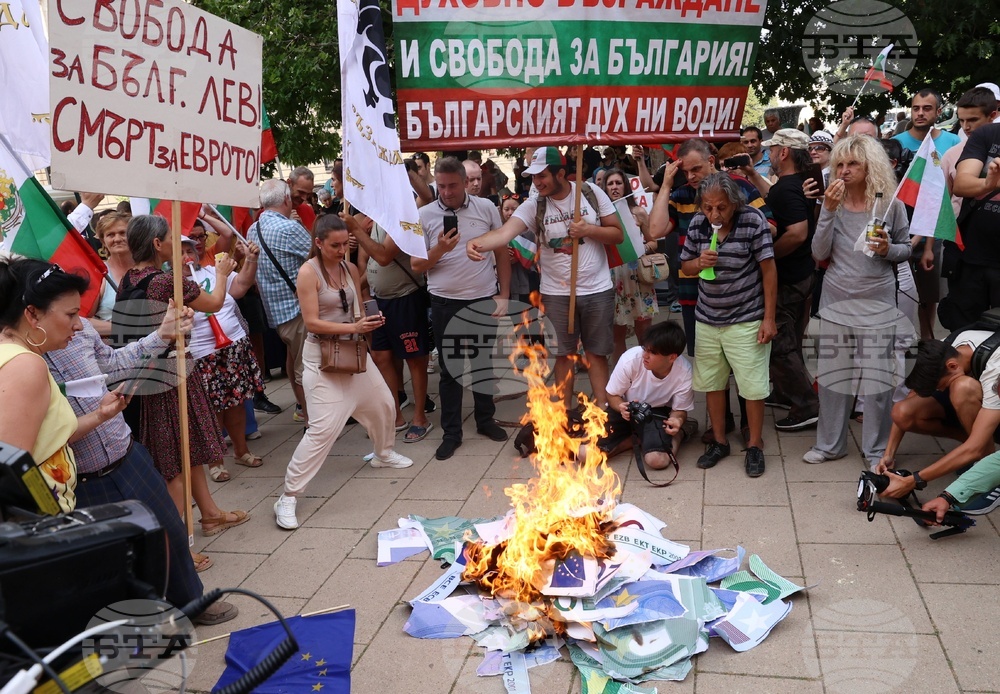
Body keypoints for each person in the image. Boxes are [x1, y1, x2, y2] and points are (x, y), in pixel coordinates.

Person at [273, 216, 413, 530]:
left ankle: (383, 453)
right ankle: (288, 496)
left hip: (352, 353)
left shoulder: (350, 268)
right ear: (319, 242)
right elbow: (311, 322)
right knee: (322, 431)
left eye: (344, 243)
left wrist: (370, 321)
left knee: (384, 404)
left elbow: (358, 308)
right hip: (321, 358)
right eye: (334, 245)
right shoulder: (308, 272)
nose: (340, 249)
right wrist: (354, 326)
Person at [465, 146, 623, 411]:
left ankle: (604, 414)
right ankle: (564, 416)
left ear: (561, 173)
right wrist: (476, 243)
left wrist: (589, 229)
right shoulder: (534, 204)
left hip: (597, 289)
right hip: (556, 293)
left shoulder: (590, 193)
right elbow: (504, 234)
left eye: (542, 176)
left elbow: (617, 234)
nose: (536, 182)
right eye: (533, 177)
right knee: (564, 355)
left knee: (596, 354)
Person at [122, 215, 250, 536]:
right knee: (174, 461)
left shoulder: (129, 279)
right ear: (156, 244)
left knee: (187, 447)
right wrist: (221, 274)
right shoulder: (167, 281)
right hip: (172, 374)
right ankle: (175, 544)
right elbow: (216, 302)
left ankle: (209, 513)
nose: (174, 242)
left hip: (154, 373)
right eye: (169, 236)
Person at [803, 136, 911, 469]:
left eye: (853, 164)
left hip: (877, 298)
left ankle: (876, 449)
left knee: (879, 378)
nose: (845, 170)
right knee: (835, 374)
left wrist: (887, 250)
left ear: (870, 166)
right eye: (839, 164)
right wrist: (827, 212)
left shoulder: (890, 204)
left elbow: (906, 249)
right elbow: (819, 254)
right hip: (836, 296)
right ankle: (830, 444)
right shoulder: (830, 203)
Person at [0, 258, 130, 513]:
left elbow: (43, 438)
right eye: (71, 314)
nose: (79, 325)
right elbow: (9, 472)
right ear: (32, 313)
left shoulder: (17, 356)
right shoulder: (25, 365)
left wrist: (100, 415)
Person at [679, 173, 777, 477]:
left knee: (752, 386)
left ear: (734, 203)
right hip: (708, 318)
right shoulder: (698, 224)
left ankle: (755, 445)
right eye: (708, 207)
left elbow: (769, 270)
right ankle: (719, 441)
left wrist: (769, 319)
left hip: (746, 317)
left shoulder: (752, 220)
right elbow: (685, 266)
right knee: (712, 383)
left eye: (721, 207)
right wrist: (699, 264)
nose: (714, 214)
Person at [414, 156, 511, 460]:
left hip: (483, 297)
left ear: (466, 182)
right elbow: (418, 265)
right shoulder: (425, 215)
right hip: (444, 302)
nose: (446, 192)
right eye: (440, 186)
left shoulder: (485, 208)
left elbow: (502, 253)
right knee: (450, 370)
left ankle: (485, 420)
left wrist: (504, 293)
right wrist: (441, 247)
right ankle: (451, 433)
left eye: (452, 185)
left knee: (484, 364)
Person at [180, 236, 265, 481]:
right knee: (212, 411)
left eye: (191, 250)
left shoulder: (210, 271)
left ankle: (241, 451)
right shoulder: (174, 285)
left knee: (237, 403)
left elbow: (240, 285)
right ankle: (215, 462)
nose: (188, 255)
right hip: (203, 354)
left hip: (233, 346)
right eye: (182, 251)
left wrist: (250, 259)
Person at [875, 336, 1000, 500]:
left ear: (953, 366)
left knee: (962, 388)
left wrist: (914, 480)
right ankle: (969, 446)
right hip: (982, 402)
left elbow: (974, 447)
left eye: (939, 385)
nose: (940, 391)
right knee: (902, 412)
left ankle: (987, 465)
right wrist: (889, 453)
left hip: (993, 408)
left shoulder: (994, 368)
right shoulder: (942, 348)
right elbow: (911, 398)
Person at [350, 212, 435, 444]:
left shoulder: (402, 218)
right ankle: (395, 416)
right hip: (380, 301)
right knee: (381, 357)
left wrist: (356, 230)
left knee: (415, 358)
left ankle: (420, 419)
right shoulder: (377, 219)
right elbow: (373, 265)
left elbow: (384, 256)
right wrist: (355, 287)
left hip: (406, 298)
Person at [761, 129, 820, 431]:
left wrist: (767, 257)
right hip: (802, 274)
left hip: (789, 279)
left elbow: (797, 232)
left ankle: (806, 406)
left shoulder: (786, 188)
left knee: (781, 344)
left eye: (771, 149)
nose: (768, 155)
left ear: (784, 152)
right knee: (791, 339)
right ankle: (785, 393)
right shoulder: (796, 185)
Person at [248, 179, 313, 425]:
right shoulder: (289, 229)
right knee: (305, 369)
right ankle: (312, 421)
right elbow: (318, 258)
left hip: (275, 314)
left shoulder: (253, 230)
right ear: (287, 199)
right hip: (298, 311)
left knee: (292, 360)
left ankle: (303, 412)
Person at [598, 322, 695, 467]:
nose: (645, 356)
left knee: (657, 461)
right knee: (585, 454)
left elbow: (679, 410)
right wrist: (620, 406)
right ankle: (635, 440)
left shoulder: (684, 371)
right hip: (626, 409)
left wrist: (677, 421)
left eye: (653, 352)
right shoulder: (630, 359)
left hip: (656, 412)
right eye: (645, 349)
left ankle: (681, 432)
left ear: (672, 357)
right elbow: (612, 395)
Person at [600, 167, 659, 364]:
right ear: (604, 188)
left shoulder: (638, 212)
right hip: (614, 280)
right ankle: (621, 378)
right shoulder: (601, 216)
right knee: (618, 337)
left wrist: (640, 247)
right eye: (610, 184)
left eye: (618, 183)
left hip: (639, 277)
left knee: (645, 335)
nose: (614, 187)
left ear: (625, 185)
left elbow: (653, 242)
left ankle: (647, 376)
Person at [945, 122, 1000, 328]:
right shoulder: (988, 134)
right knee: (964, 333)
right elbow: (961, 185)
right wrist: (988, 183)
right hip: (971, 258)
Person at [91, 211, 134, 335]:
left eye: (122, 233)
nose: (117, 239)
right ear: (103, 241)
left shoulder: (148, 268)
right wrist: (122, 328)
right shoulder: (98, 273)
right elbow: (83, 321)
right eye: (110, 235)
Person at [892, 88, 961, 155]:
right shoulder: (895, 143)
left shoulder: (953, 142)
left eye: (927, 108)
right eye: (916, 109)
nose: (920, 113)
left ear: (938, 112)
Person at [287, 165, 318, 233]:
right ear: (289, 183)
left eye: (308, 194)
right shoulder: (270, 213)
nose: (304, 198)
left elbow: (316, 241)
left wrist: (302, 227)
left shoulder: (308, 210)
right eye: (301, 192)